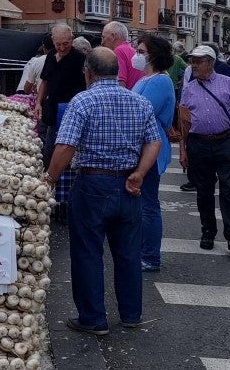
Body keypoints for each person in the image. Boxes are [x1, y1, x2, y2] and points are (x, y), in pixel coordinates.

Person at [45, 47, 160, 334]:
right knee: (128, 253)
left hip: (92, 184)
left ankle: (93, 318)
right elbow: (154, 142)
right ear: (118, 72)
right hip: (128, 184)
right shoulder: (140, 102)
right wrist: (140, 173)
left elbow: (65, 146)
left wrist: (49, 178)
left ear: (88, 72)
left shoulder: (83, 101)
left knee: (87, 252)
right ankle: (131, 314)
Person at [179, 45, 230, 252]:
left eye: (198, 61)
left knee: (228, 189)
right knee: (204, 191)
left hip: (226, 141)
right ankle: (208, 232)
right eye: (192, 61)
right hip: (198, 143)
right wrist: (183, 149)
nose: (193, 65)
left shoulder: (227, 83)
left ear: (209, 63)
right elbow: (183, 122)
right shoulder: (189, 88)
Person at [132, 34, 175, 271]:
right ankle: (142, 250)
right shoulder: (145, 78)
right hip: (141, 147)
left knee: (148, 204)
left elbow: (139, 112)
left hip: (151, 148)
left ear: (153, 55)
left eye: (140, 51)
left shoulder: (160, 81)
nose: (136, 55)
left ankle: (150, 256)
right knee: (141, 204)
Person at [34, 23, 86, 167]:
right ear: (53, 41)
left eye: (66, 44)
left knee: (65, 153)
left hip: (70, 113)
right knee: (48, 151)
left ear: (72, 39)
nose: (62, 48)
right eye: (58, 44)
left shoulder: (80, 59)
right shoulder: (50, 55)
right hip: (51, 111)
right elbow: (44, 81)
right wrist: (38, 102)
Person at [101, 21, 144, 89]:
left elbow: (121, 83)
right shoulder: (132, 51)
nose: (102, 42)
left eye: (103, 37)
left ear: (113, 36)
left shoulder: (118, 51)